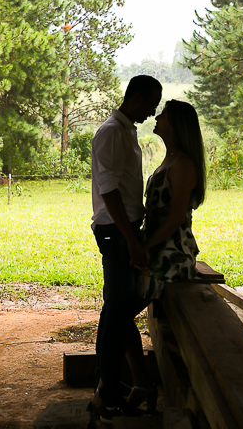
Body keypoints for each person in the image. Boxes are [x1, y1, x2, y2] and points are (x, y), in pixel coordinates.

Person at [89, 74, 162, 422]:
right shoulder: (112, 132)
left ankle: (109, 388)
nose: (153, 110)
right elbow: (108, 190)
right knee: (116, 313)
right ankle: (108, 393)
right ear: (133, 97)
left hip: (126, 230)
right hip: (117, 233)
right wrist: (132, 240)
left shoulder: (126, 129)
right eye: (150, 102)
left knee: (118, 312)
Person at [138, 99, 206, 303]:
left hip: (171, 253)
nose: (157, 118)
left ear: (177, 125)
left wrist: (146, 247)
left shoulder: (183, 164)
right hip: (159, 246)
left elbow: (176, 217)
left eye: (164, 116)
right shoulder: (172, 158)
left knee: (122, 310)